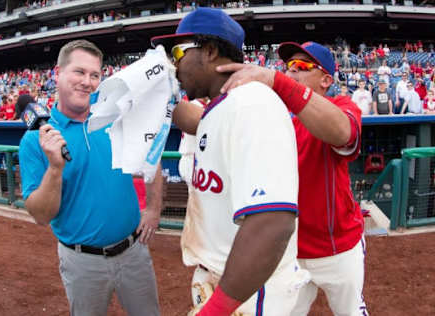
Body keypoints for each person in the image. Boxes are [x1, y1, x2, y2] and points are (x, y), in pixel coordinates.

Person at [152, 8, 309, 315]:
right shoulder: (219, 108)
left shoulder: (252, 104)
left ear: (210, 51)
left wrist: (218, 308)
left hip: (252, 291)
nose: (175, 63)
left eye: (179, 51)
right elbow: (184, 115)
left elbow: (273, 223)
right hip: (225, 278)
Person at [216, 41, 367, 315]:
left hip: (339, 248)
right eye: (288, 67)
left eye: (301, 67)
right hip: (290, 252)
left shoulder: (341, 105)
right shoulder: (279, 118)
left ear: (326, 79)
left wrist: (276, 80)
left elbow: (343, 132)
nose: (291, 73)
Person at [19, 40, 162, 316]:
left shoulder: (116, 115)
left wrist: (154, 208)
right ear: (57, 73)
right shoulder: (34, 140)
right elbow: (39, 215)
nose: (87, 82)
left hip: (134, 252)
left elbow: (152, 156)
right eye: (79, 72)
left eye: (94, 75)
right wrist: (55, 169)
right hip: (81, 261)